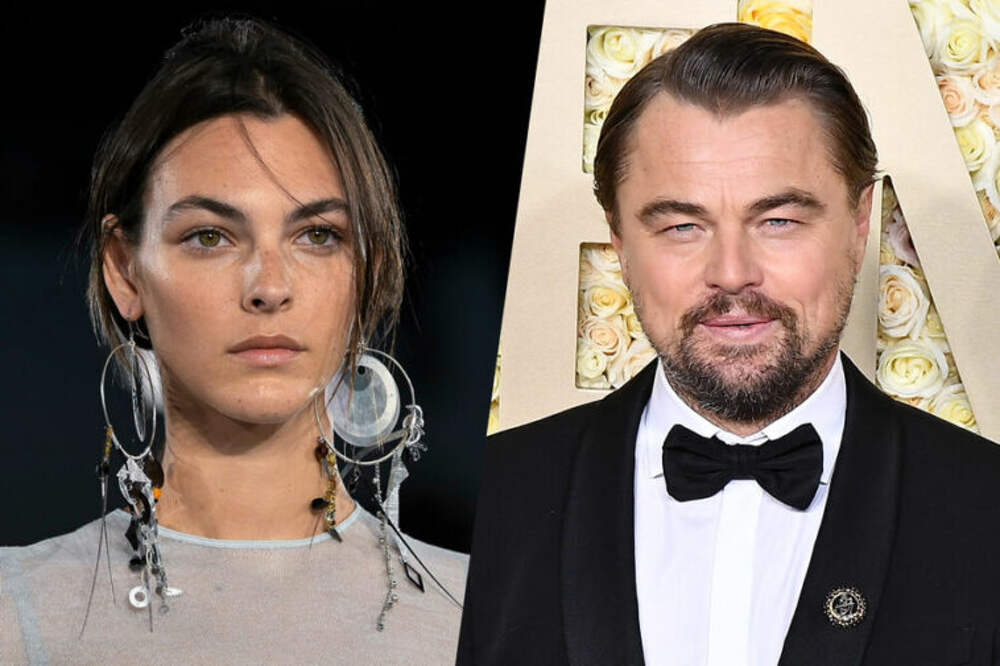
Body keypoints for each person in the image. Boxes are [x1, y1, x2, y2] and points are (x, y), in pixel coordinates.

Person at [458, 22, 1000, 665]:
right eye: (683, 226)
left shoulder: (984, 509)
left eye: (778, 220)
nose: (732, 272)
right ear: (620, 242)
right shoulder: (489, 500)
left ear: (860, 224)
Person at [0, 17, 465, 664]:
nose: (269, 287)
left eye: (317, 236)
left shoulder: (476, 616)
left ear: (370, 272)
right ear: (124, 271)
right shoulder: (19, 613)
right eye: (210, 237)